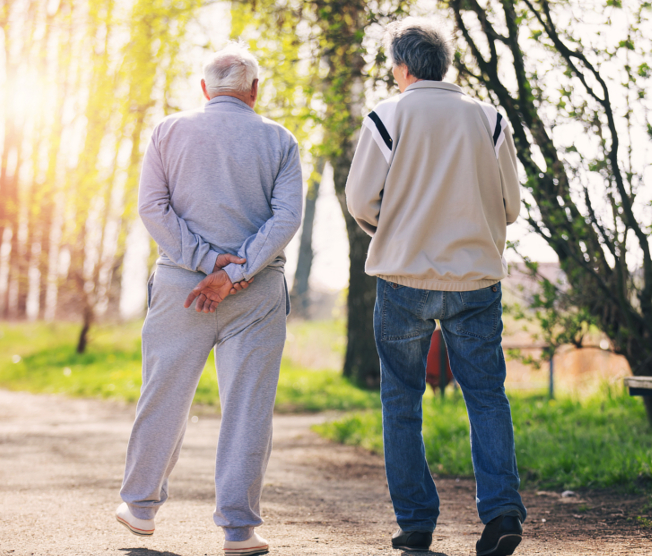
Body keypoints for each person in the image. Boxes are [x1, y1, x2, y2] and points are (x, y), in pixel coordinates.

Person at [345, 17, 527, 556]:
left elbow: (359, 202)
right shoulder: (490, 119)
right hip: (475, 278)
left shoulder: (387, 115)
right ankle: (501, 513)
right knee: (486, 397)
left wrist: (395, 228)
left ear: (401, 67)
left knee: (401, 399)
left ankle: (417, 522)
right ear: (443, 65)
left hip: (403, 276)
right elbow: (511, 206)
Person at [115, 42, 303, 556]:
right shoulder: (280, 140)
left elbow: (152, 208)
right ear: (254, 90)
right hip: (258, 291)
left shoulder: (169, 131)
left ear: (205, 90)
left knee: (164, 393)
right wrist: (237, 268)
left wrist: (205, 263)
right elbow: (285, 219)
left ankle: (140, 509)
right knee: (248, 407)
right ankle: (239, 531)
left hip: (181, 287)